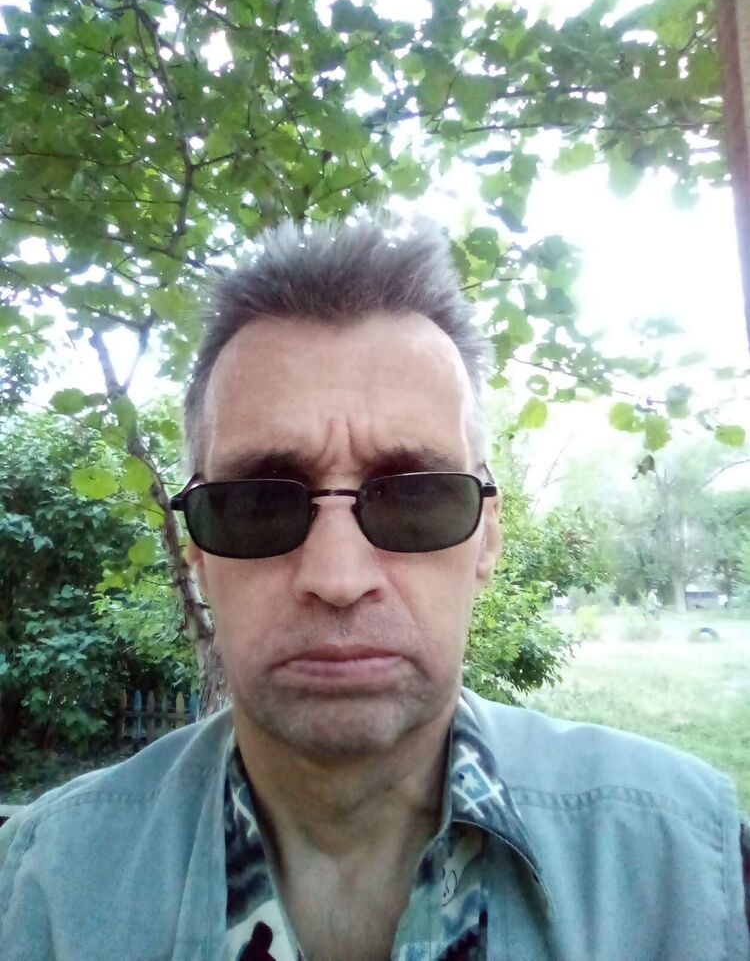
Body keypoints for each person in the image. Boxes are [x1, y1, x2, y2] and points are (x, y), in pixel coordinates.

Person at [0, 218, 748, 960]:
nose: (338, 578)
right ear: (197, 551)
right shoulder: (47, 890)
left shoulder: (691, 870)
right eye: (258, 504)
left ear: (487, 538)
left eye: (415, 497)